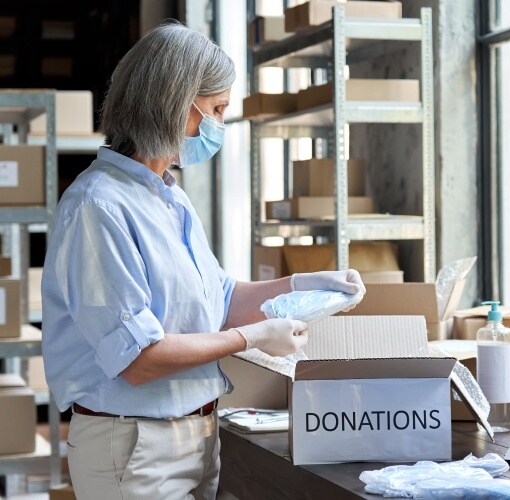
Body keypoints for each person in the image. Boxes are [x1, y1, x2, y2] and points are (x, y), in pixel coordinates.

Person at [41, 20, 365, 500]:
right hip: (134, 444)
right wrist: (252, 338)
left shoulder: (169, 198)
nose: (217, 126)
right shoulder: (98, 207)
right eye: (214, 110)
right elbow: (138, 359)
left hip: (198, 434)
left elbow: (223, 299)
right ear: (173, 102)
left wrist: (301, 287)